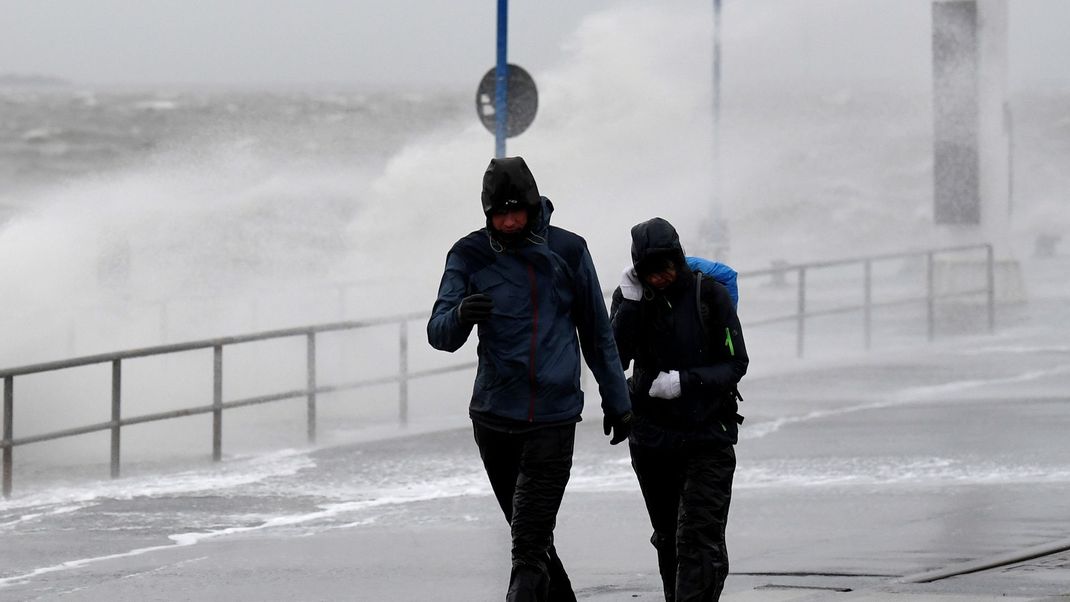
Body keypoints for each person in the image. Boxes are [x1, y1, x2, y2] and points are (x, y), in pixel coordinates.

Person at [427, 156, 633, 602]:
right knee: (535, 542)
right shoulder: (469, 254)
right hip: (494, 417)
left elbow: (597, 334)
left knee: (526, 553)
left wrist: (618, 400)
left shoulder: (569, 250)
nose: (508, 220)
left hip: (552, 418)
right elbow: (438, 334)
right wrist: (461, 315)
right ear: (487, 213)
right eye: (498, 213)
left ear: (533, 205)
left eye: (516, 210)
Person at [609, 217, 748, 602]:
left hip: (709, 435)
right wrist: (632, 306)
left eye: (667, 268)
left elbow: (736, 363)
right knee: (669, 536)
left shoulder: (710, 295)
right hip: (652, 440)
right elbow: (613, 359)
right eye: (650, 272)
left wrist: (684, 382)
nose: (660, 279)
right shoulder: (631, 298)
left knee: (698, 536)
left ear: (679, 259)